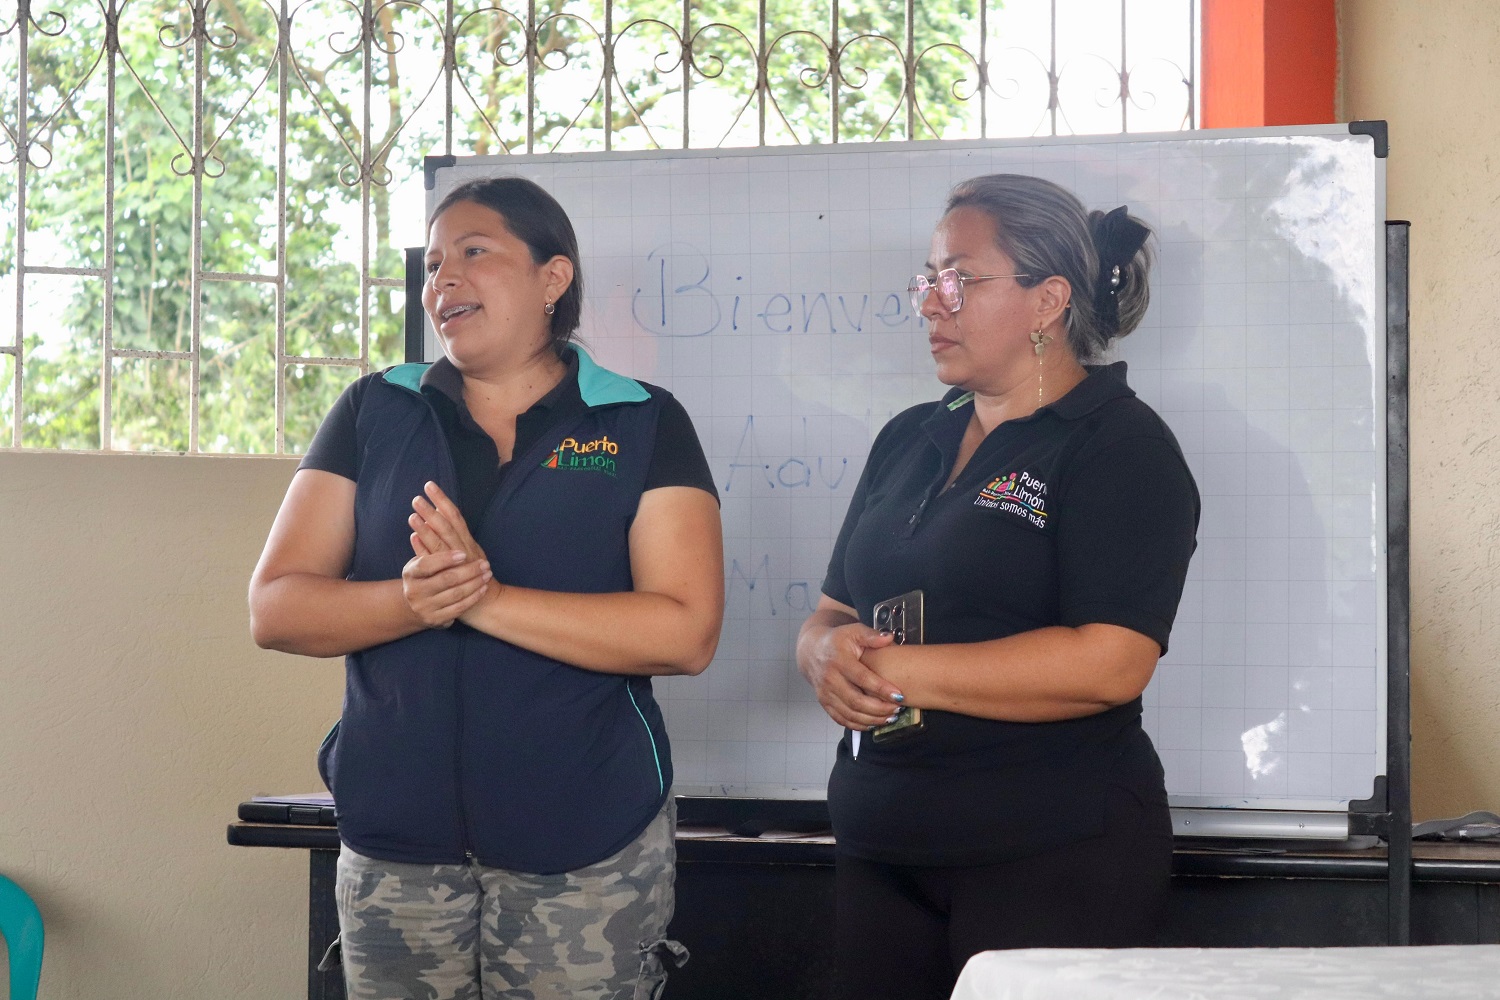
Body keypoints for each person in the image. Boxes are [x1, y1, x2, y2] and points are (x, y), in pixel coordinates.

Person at [249, 176, 724, 1000]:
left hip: (586, 848)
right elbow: (276, 606)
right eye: (434, 264)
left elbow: (685, 632)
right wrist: (409, 602)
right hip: (396, 847)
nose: (445, 279)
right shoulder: (375, 411)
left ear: (553, 277)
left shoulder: (640, 420)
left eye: (474, 252)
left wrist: (486, 600)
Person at [796, 173, 1200, 1000]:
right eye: (927, 280)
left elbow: (1111, 662)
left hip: (1050, 850)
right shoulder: (909, 436)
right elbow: (835, 608)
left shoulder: (1120, 446)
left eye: (959, 280)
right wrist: (821, 652)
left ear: (1048, 300)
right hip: (882, 844)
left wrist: (894, 672)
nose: (930, 304)